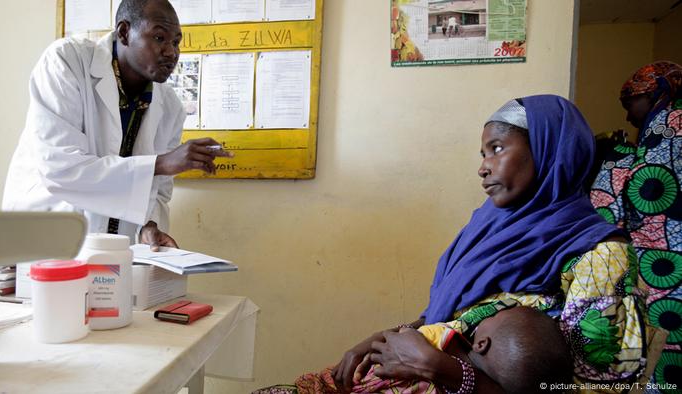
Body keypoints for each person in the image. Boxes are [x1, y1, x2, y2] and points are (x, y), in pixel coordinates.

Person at [254, 95, 649, 394]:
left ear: (549, 151)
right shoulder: (489, 227)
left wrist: (442, 370)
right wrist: (378, 340)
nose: (482, 166)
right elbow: (453, 317)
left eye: (498, 148)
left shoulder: (599, 256)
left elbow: (595, 388)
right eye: (482, 153)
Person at [2, 0, 232, 250]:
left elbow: (158, 192)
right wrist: (162, 162)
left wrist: (149, 227)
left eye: (176, 42)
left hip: (112, 252)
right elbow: (60, 169)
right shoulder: (66, 62)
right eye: (159, 37)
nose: (171, 52)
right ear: (124, 33)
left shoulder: (170, 106)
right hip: (43, 238)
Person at [590, 61, 682, 392]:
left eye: (630, 103)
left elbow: (606, 217)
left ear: (655, 91)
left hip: (659, 278)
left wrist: (612, 161)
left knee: (654, 365)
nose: (628, 116)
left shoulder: (665, 132)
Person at [349, 306, 573, 394]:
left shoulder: (446, 338)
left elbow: (411, 334)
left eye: (493, 317)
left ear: (481, 343)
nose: (486, 316)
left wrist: (409, 334)